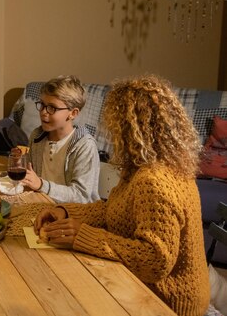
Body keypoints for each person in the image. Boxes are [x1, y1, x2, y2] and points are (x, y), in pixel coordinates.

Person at [35, 75, 210, 316]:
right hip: (142, 287)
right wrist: (64, 211)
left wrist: (84, 235)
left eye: (113, 124)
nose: (109, 132)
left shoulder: (154, 181)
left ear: (130, 128)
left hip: (164, 302)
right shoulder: (144, 166)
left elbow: (154, 261)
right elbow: (111, 209)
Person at [19, 75, 100, 203]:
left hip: (74, 214)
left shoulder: (84, 146)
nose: (43, 112)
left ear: (73, 113)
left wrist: (41, 184)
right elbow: (30, 177)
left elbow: (81, 196)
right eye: (42, 105)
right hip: (42, 205)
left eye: (52, 108)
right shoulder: (36, 136)